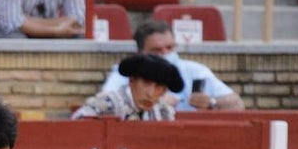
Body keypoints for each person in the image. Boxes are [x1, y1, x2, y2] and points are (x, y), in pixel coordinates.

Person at [100, 19, 245, 112]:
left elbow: (238, 106)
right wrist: (150, 105)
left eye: (169, 48)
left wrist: (212, 103)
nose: (166, 54)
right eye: (157, 50)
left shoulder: (194, 71)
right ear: (140, 53)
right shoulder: (126, 72)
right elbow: (104, 103)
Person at [73, 53, 184, 120]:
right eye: (146, 83)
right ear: (132, 81)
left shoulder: (163, 112)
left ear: (165, 91)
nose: (150, 94)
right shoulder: (107, 104)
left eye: (159, 87)